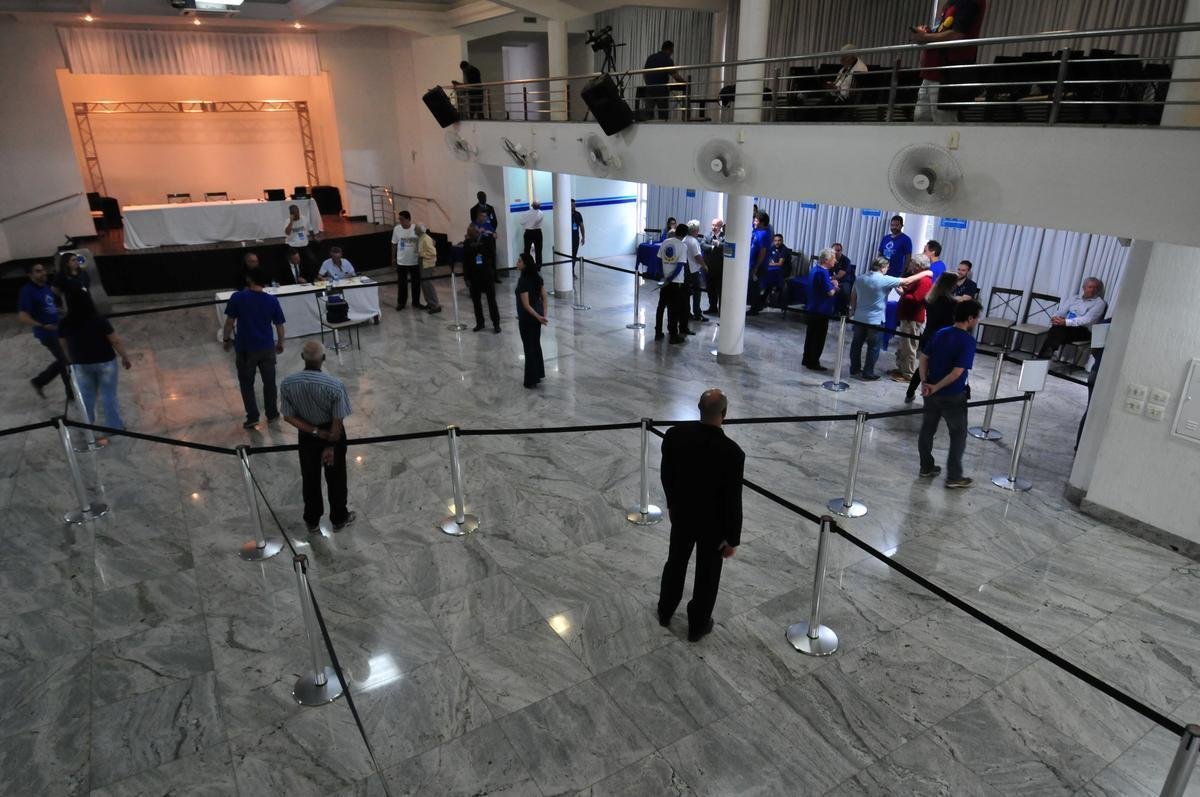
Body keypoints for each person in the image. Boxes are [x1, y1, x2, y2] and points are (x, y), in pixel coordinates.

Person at [657, 389, 744, 643]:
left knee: (675, 562)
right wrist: (733, 538)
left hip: (682, 515)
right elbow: (732, 499)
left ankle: (665, 610)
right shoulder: (732, 453)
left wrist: (672, 503)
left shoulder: (675, 436)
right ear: (725, 414)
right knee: (708, 574)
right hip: (713, 526)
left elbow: (666, 474)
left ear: (698, 408)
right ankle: (697, 625)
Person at [280, 341, 355, 533]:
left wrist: (313, 431)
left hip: (307, 436)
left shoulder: (288, 384)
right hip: (332, 434)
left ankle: (312, 520)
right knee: (336, 478)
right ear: (323, 358)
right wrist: (331, 446)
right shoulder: (335, 385)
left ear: (303, 358)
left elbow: (288, 416)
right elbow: (337, 421)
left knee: (310, 477)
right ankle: (339, 518)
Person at [917, 300, 982, 488]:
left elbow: (923, 358)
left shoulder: (941, 333)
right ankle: (954, 476)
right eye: (976, 317)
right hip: (953, 394)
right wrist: (936, 387)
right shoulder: (968, 341)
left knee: (927, 430)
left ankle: (926, 467)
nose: (977, 321)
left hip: (930, 391)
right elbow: (956, 373)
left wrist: (925, 384)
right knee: (958, 434)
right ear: (970, 318)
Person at [59, 286, 131, 439]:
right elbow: (115, 340)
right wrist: (125, 357)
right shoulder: (99, 319)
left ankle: (87, 427)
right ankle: (114, 426)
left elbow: (64, 345)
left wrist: (70, 361)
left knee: (86, 397)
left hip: (81, 363)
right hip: (105, 362)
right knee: (108, 395)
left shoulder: (64, 322)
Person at [222, 268, 286, 429]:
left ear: (249, 279)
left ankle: (252, 417)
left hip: (245, 348)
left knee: (246, 383)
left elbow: (229, 322)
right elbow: (279, 324)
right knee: (269, 382)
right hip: (266, 347)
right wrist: (280, 343)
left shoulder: (238, 298)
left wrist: (226, 339)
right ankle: (272, 414)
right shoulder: (272, 300)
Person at [849, 257, 926, 380]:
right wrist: (926, 273)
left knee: (856, 345)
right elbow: (907, 281)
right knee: (873, 347)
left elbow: (853, 297)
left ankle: (854, 369)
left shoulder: (860, 277)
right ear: (883, 267)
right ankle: (868, 372)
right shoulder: (884, 279)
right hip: (875, 320)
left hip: (859, 317)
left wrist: (853, 311)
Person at [911, 0, 987, 124]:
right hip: (931, 71)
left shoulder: (969, 3)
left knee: (943, 120)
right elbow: (944, 32)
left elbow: (957, 35)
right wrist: (928, 33)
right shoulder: (951, 4)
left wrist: (925, 38)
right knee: (921, 118)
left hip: (946, 73)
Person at [19, 263, 71, 400]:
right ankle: (71, 394)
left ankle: (39, 381)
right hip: (47, 334)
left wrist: (61, 312)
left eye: (43, 270)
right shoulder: (27, 291)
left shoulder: (46, 287)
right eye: (38, 271)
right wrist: (42, 325)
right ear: (30, 275)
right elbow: (22, 316)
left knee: (64, 359)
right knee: (65, 359)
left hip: (58, 329)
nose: (43, 273)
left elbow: (50, 306)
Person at [905, 272, 960, 401]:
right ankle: (935, 395)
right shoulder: (952, 303)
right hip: (943, 338)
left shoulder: (930, 298)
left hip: (928, 334)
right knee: (941, 368)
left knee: (923, 366)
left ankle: (910, 392)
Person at [1037, 277, 1107, 359]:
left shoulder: (1099, 303)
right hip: (1065, 327)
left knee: (1055, 330)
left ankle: (1043, 358)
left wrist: (1065, 322)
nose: (1092, 290)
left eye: (1095, 288)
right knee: (1057, 329)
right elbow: (1062, 311)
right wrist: (1055, 318)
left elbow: (1087, 319)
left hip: (1083, 330)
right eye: (1090, 287)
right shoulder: (1074, 298)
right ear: (1083, 288)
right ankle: (1047, 354)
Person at [893, 255, 932, 380]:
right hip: (907, 315)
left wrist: (903, 293)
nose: (910, 265)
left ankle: (908, 374)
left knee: (909, 347)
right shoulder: (917, 278)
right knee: (903, 345)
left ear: (919, 266)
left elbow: (917, 299)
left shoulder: (925, 280)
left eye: (912, 263)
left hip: (913, 318)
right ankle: (901, 369)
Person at [515, 253, 549, 388]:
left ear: (525, 264)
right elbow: (545, 297)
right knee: (535, 345)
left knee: (529, 348)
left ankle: (531, 379)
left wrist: (537, 316)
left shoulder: (523, 281)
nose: (517, 263)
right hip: (536, 318)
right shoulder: (537, 278)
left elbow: (526, 305)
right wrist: (543, 315)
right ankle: (539, 373)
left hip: (528, 319)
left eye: (519, 261)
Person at [802, 248, 839, 371]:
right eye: (833, 258)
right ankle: (813, 362)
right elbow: (830, 292)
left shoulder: (815, 269)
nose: (835, 260)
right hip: (821, 310)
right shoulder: (823, 272)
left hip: (813, 307)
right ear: (827, 260)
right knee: (818, 338)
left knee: (811, 336)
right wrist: (835, 286)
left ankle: (807, 359)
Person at [656, 224, 691, 344]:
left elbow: (659, 260)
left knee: (661, 307)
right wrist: (670, 279)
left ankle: (658, 332)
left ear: (676, 231)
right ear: (685, 234)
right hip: (675, 283)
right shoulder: (683, 246)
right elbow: (680, 266)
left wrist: (663, 276)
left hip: (665, 280)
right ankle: (673, 335)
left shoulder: (665, 242)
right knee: (674, 309)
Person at [464, 225, 500, 333]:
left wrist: (479, 247)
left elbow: (491, 254)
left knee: (491, 301)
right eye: (470, 235)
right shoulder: (467, 243)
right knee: (476, 301)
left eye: (473, 234)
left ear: (478, 232)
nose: (472, 237)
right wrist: (466, 278)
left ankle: (496, 323)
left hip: (486, 275)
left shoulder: (487, 240)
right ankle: (480, 323)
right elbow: (465, 261)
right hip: (474, 276)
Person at [643, 41, 686, 120]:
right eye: (672, 50)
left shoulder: (651, 57)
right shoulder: (667, 60)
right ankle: (662, 129)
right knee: (663, 115)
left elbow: (644, 73)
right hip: (661, 89)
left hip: (649, 88)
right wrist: (685, 83)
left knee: (648, 114)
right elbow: (676, 77)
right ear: (670, 49)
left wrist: (648, 83)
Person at [391, 210, 424, 310]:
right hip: (402, 262)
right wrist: (393, 257)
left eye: (402, 219)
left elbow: (423, 241)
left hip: (414, 261)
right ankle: (401, 303)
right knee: (402, 284)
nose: (400, 221)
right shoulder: (396, 229)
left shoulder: (416, 229)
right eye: (399, 219)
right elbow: (394, 243)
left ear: (408, 219)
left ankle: (416, 302)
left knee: (416, 283)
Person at [746, 211, 773, 315]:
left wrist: (756, 266)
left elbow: (762, 252)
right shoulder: (756, 231)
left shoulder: (764, 234)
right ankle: (754, 306)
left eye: (756, 220)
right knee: (752, 286)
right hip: (751, 263)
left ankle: (755, 308)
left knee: (754, 286)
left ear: (762, 223)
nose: (754, 222)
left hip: (758, 266)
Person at [284, 203, 317, 280]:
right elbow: (287, 232)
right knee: (296, 263)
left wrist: (314, 238)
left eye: (297, 212)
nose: (297, 214)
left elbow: (310, 229)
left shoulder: (304, 218)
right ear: (291, 214)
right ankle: (297, 278)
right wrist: (291, 222)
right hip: (293, 247)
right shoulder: (288, 221)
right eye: (294, 213)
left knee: (312, 259)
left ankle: (313, 277)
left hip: (304, 245)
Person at [415, 224, 442, 314]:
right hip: (423, 264)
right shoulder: (421, 237)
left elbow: (433, 252)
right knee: (424, 285)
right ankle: (430, 303)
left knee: (428, 285)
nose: (414, 230)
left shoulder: (426, 238)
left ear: (420, 231)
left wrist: (421, 254)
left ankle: (435, 305)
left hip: (427, 265)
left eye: (416, 229)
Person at [684, 220, 708, 322]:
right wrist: (704, 265)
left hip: (685, 270)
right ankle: (697, 313)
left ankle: (687, 312)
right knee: (697, 293)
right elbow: (697, 256)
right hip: (693, 270)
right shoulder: (693, 241)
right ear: (696, 230)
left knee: (687, 293)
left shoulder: (684, 239)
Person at [473, 208, 501, 283]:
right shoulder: (474, 224)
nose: (484, 218)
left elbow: (495, 234)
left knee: (492, 261)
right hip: (480, 246)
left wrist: (493, 233)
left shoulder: (488, 224)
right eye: (482, 216)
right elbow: (473, 236)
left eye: (485, 216)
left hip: (489, 245)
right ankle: (482, 279)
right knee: (480, 263)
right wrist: (479, 232)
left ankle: (494, 277)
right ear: (479, 216)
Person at [830, 242, 855, 313]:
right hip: (834, 279)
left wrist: (828, 278)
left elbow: (839, 276)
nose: (837, 252)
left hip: (845, 280)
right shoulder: (830, 259)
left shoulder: (845, 260)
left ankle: (843, 312)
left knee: (844, 290)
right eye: (835, 250)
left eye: (839, 250)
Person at [521, 200, 545, 265]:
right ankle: (538, 266)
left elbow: (522, 222)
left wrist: (528, 222)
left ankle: (526, 265)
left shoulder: (526, 213)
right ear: (539, 206)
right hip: (537, 232)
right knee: (538, 250)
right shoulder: (541, 213)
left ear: (532, 205)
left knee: (527, 250)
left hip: (528, 232)